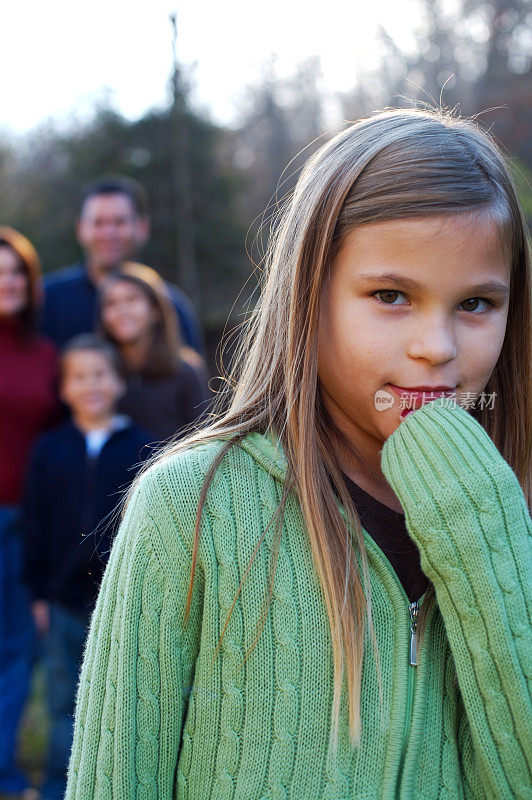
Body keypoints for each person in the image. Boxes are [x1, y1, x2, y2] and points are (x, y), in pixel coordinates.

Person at [65, 109, 531, 800]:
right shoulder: (190, 506)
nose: (438, 346)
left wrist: (487, 544)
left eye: (476, 304)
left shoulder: (513, 515)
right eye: (392, 295)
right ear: (308, 296)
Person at [21, 335, 152, 800]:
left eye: (100, 374)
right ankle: (59, 787)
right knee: (62, 700)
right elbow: (33, 524)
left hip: (118, 599)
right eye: (79, 376)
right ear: (64, 388)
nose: (90, 385)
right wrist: (38, 593)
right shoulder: (49, 449)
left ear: (118, 381)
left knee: (118, 701)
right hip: (61, 601)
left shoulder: (143, 448)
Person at [0, 227, 61, 798]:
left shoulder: (45, 354)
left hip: (22, 520)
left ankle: (7, 771)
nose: (9, 281)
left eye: (17, 271)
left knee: (17, 650)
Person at [40, 174, 204, 353]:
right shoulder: (46, 300)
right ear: (80, 229)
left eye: (119, 222)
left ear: (142, 227)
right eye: (98, 223)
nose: (109, 233)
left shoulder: (168, 306)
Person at [98, 262, 210, 443]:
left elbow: (203, 441)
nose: (121, 311)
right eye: (111, 303)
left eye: (131, 299)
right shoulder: (100, 373)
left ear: (155, 310)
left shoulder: (186, 371)